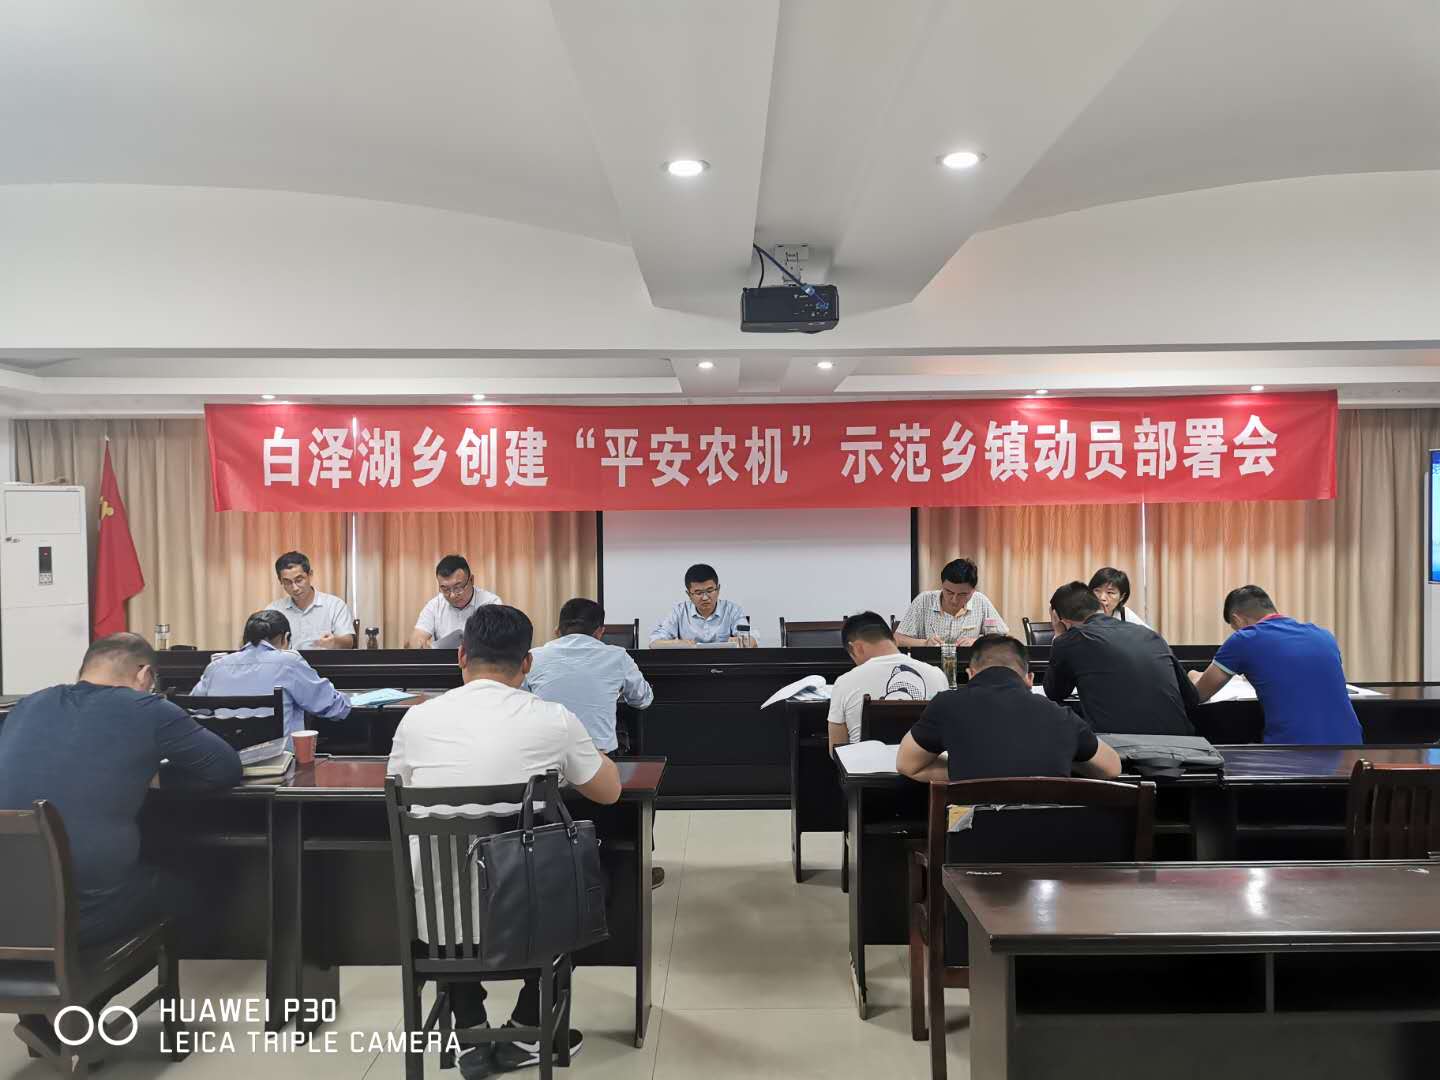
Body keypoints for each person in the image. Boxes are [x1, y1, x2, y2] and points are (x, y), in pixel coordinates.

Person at [387, 605, 621, 1076]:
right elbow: (609, 792)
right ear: (527, 662)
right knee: (589, 878)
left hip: (441, 927)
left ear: (461, 655)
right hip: (528, 922)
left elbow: (397, 791)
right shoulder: (553, 719)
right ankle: (527, 1028)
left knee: (452, 889)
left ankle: (469, 1029)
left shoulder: (416, 720)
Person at [0, 634, 242, 947]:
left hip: (10, 908)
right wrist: (156, 778)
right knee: (187, 883)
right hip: (85, 914)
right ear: (145, 674)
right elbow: (225, 768)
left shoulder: (28, 705)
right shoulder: (148, 708)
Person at [898, 634, 1121, 781]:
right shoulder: (1061, 715)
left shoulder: (946, 705)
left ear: (971, 674)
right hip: (1050, 837)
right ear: (1029, 679)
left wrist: (965, 770)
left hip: (973, 837)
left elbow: (908, 765)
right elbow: (1111, 767)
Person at [1189, 585, 1362, 744]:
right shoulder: (1324, 635)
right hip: (1352, 749)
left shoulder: (1244, 639)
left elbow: (1198, 696)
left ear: (1237, 619)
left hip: (1294, 751)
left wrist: (1194, 675)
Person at [1043, 581, 1197, 735]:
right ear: (1102, 607)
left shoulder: (1068, 641)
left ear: (1057, 618)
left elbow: (1055, 693)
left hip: (1121, 746)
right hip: (1186, 743)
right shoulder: (1150, 635)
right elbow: (1192, 697)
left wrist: (1059, 635)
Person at [193, 610, 351, 736]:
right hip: (279, 761)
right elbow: (332, 706)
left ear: (245, 639)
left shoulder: (216, 667)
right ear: (286, 638)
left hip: (228, 760)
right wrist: (347, 700)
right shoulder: (289, 662)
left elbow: (195, 710)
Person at [524, 598, 653, 754]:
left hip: (545, 755)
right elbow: (643, 700)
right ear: (600, 631)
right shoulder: (618, 656)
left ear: (557, 630)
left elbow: (520, 700)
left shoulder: (533, 657)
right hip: (599, 757)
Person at [828, 611, 948, 751]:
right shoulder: (937, 675)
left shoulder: (845, 682)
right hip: (925, 764)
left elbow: (836, 749)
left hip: (866, 764)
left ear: (857, 647)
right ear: (894, 641)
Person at [895, 558, 1009, 647]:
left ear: (973, 590)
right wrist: (925, 643)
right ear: (942, 585)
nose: (954, 600)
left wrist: (976, 642)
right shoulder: (924, 600)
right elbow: (898, 639)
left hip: (968, 666)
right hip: (929, 664)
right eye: (949, 592)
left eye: (962, 594)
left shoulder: (981, 601)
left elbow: (1002, 639)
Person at [407, 554, 503, 649]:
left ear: (471, 580)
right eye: (445, 589)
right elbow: (417, 637)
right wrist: (418, 643)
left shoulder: (491, 603)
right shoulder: (435, 605)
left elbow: (498, 642)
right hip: (444, 659)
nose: (452, 595)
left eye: (458, 587)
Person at [649, 563, 755, 648]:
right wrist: (680, 643)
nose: (705, 597)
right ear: (689, 594)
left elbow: (753, 639)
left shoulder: (732, 610)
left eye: (710, 591)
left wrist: (744, 640)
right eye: (698, 593)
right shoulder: (679, 611)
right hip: (689, 664)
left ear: (718, 590)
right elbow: (654, 642)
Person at [267, 551, 354, 649]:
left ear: (310, 574)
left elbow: (348, 642)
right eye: (287, 582)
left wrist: (334, 642)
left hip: (324, 658)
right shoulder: (274, 610)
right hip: (288, 659)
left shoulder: (335, 605)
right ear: (280, 581)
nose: (295, 588)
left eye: (299, 580)